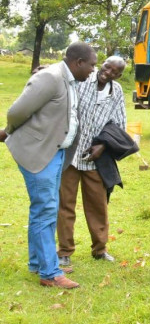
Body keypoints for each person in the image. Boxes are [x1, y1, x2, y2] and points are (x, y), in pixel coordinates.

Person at [0, 42, 97, 289]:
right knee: (46, 209)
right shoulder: (50, 78)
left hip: (55, 153)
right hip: (38, 152)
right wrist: (10, 132)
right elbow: (16, 112)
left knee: (43, 208)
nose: (93, 70)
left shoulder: (70, 80)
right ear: (78, 63)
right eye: (92, 65)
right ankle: (50, 273)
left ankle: (39, 262)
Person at [56, 56, 128, 268]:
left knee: (98, 206)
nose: (108, 72)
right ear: (101, 64)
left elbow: (119, 123)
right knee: (65, 205)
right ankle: (65, 251)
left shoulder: (117, 92)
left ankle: (100, 249)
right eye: (107, 67)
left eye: (115, 71)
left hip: (95, 158)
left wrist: (103, 146)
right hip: (70, 154)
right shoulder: (81, 80)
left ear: (119, 75)